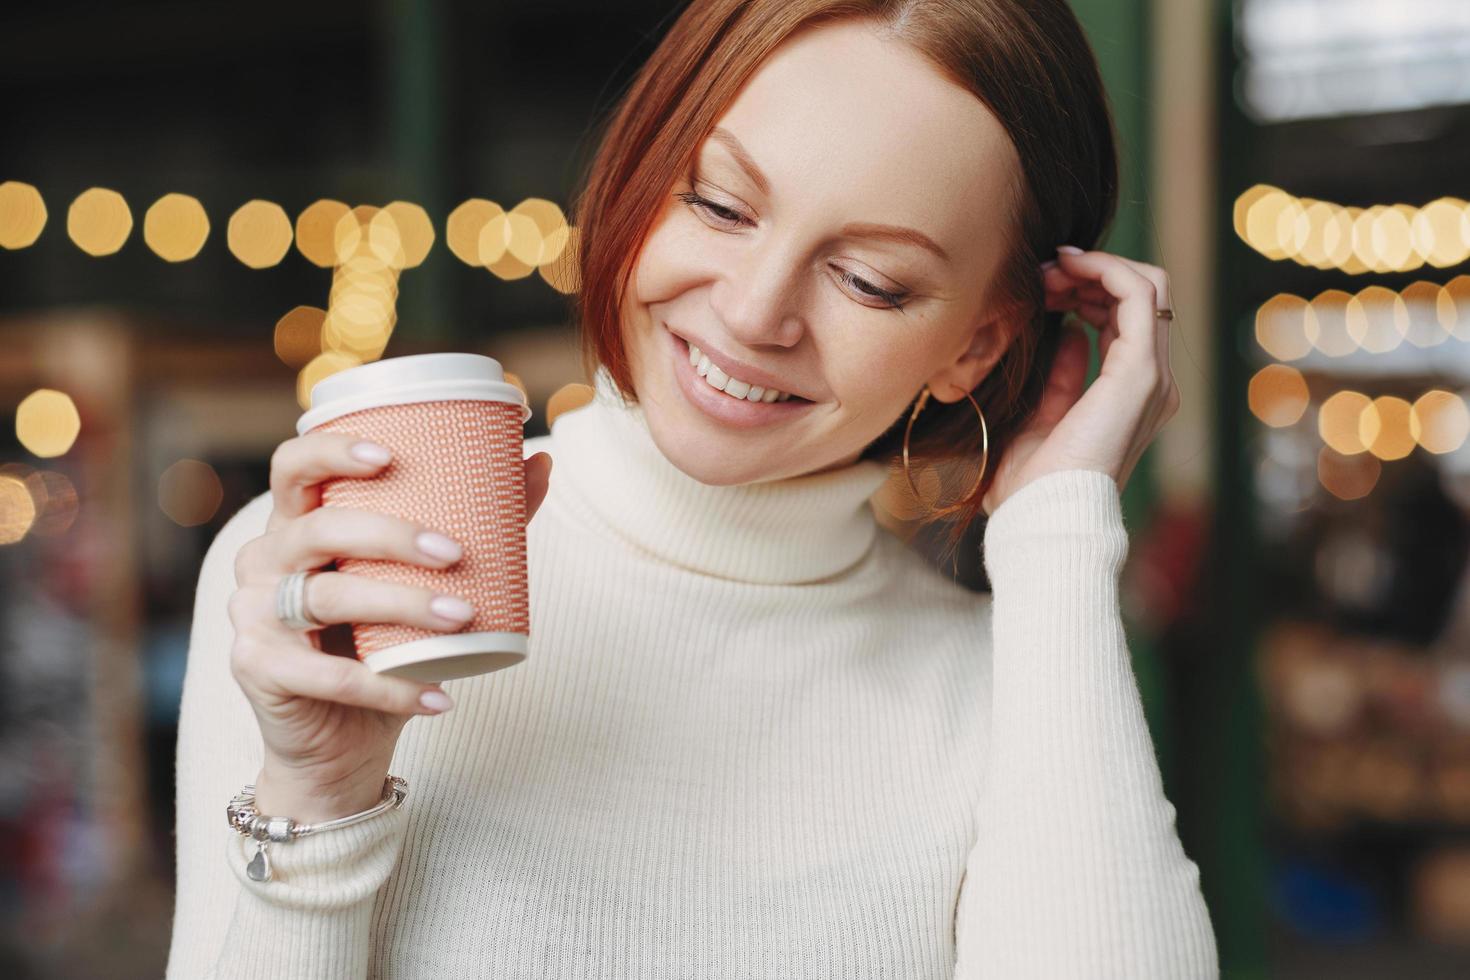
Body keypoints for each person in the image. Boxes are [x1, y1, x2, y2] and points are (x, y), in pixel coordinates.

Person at [166, 1, 1217, 977]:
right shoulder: (348, 586)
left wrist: (1058, 531)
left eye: (870, 280)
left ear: (974, 347)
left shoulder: (1006, 695)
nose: (757, 311)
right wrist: (315, 801)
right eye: (719, 204)